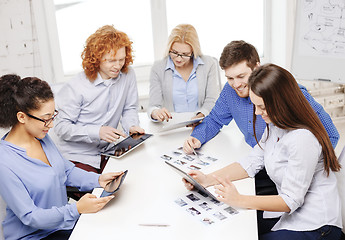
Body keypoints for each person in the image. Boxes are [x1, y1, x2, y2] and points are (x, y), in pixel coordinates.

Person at [183, 64, 342, 239]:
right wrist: (207, 179)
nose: (258, 113)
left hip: (317, 227)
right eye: (255, 106)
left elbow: (290, 200)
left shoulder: (302, 138)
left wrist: (239, 199)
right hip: (291, 215)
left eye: (263, 107)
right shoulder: (275, 125)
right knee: (236, 226)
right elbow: (251, 162)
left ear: (282, 103)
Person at [183, 40, 339, 195]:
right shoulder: (230, 92)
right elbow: (215, 119)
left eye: (241, 76)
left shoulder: (288, 94)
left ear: (256, 68)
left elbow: (331, 135)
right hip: (258, 160)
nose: (236, 84)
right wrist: (197, 138)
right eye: (230, 78)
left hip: (288, 172)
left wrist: (300, 166)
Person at [0, 74, 122, 240]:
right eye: (45, 119)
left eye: (52, 116)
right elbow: (30, 216)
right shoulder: (5, 162)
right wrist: (76, 209)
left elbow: (66, 170)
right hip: (35, 236)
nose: (51, 125)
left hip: (61, 226)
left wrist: (98, 180)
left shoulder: (41, 136)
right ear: (21, 117)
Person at [55, 25, 144, 174]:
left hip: (108, 152)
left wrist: (131, 126)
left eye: (121, 59)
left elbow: (129, 109)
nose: (118, 66)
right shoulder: (77, 86)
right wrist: (96, 132)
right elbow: (61, 127)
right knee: (100, 191)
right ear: (96, 59)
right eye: (111, 61)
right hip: (78, 157)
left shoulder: (128, 75)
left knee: (134, 179)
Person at [148, 24, 220, 122]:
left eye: (185, 55)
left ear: (193, 51)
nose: (178, 58)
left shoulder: (208, 64)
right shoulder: (158, 68)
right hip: (171, 126)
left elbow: (211, 100)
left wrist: (201, 115)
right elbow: (153, 106)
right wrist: (156, 112)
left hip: (201, 124)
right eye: (174, 52)